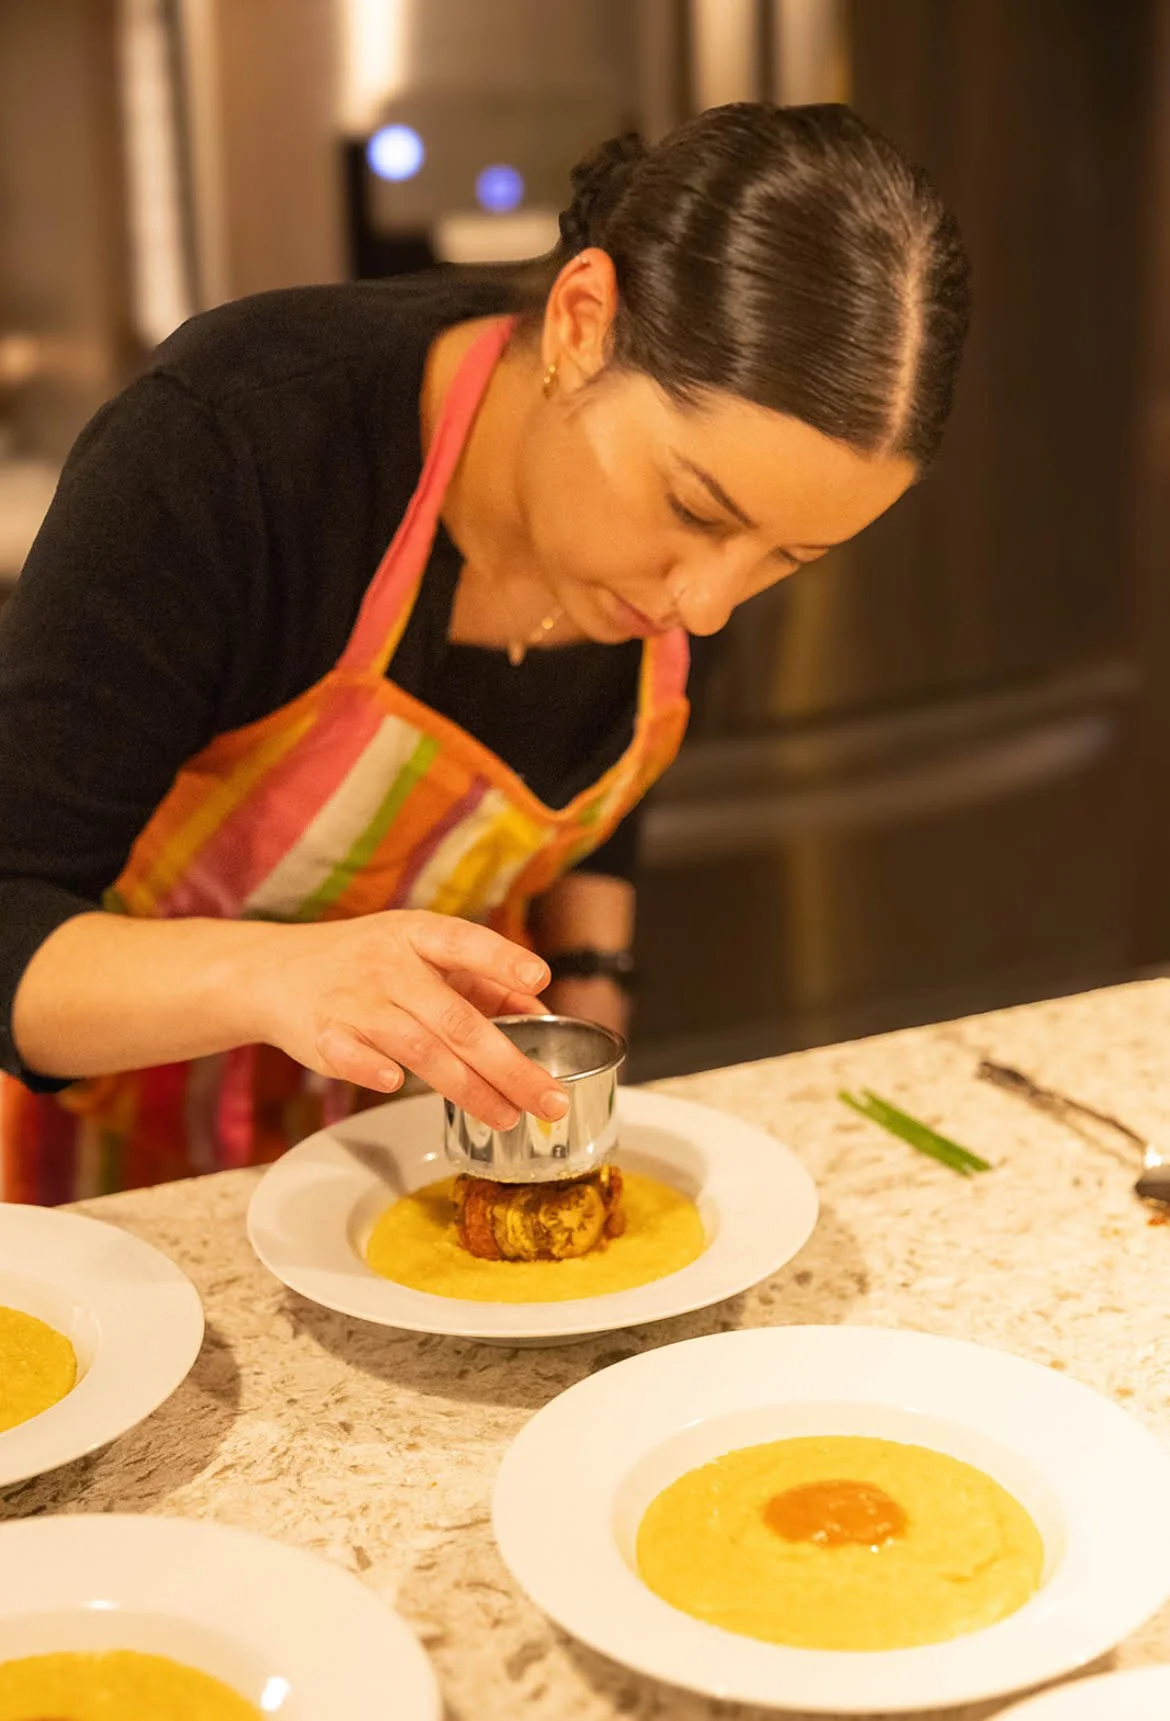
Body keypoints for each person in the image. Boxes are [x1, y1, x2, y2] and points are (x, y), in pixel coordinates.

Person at [0, 102, 971, 1203]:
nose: (706, 606)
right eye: (695, 509)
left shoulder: (683, 557)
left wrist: (594, 978)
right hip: (114, 1188)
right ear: (581, 322)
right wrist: (282, 974)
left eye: (791, 556)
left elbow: (601, 786)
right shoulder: (236, 446)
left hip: (408, 1165)